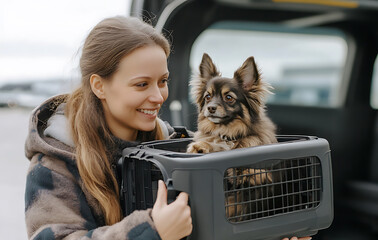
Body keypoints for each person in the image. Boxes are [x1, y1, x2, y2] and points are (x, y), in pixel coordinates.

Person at [24, 16, 312, 240]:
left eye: (162, 81)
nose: (158, 96)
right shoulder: (54, 165)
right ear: (99, 86)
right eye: (141, 84)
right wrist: (152, 231)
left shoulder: (180, 147)